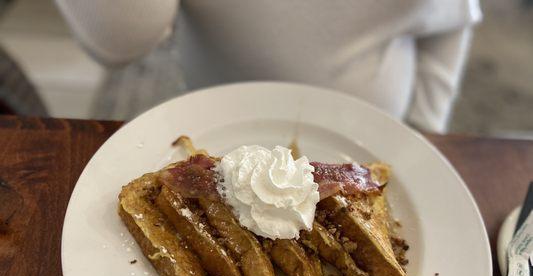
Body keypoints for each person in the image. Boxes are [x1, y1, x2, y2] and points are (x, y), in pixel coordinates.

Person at [55, 0, 481, 133]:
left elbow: (453, 18)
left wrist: (424, 132)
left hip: (376, 132)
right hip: (219, 122)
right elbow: (121, 36)